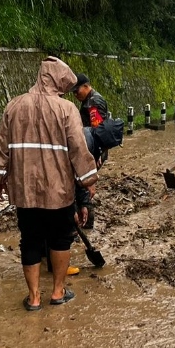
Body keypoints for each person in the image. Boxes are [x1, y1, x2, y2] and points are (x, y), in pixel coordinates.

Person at [0, 57, 98, 311]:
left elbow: (1, 148)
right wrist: (88, 181)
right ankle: (58, 292)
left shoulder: (14, 106)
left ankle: (34, 297)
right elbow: (78, 150)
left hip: (24, 189)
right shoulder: (66, 109)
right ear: (58, 81)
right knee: (61, 239)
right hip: (58, 190)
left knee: (30, 239)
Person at [70, 72, 108, 237]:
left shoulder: (94, 102)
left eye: (77, 91)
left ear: (86, 86)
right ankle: (83, 222)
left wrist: (92, 159)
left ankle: (87, 222)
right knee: (80, 185)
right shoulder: (88, 100)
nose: (75, 95)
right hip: (87, 149)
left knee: (84, 186)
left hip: (91, 151)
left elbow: (98, 131)